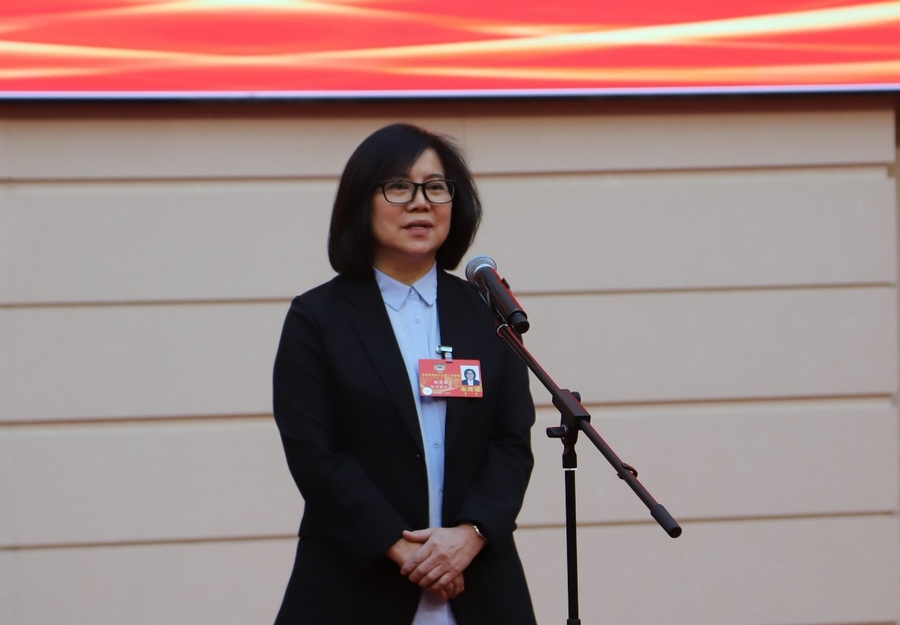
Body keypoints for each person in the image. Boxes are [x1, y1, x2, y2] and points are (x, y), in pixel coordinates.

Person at [272, 123, 537, 624]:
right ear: (361, 202)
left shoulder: (487, 314)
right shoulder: (318, 318)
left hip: (478, 584)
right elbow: (315, 454)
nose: (421, 203)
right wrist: (404, 550)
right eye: (399, 186)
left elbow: (510, 442)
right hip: (355, 584)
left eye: (436, 187)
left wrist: (471, 534)